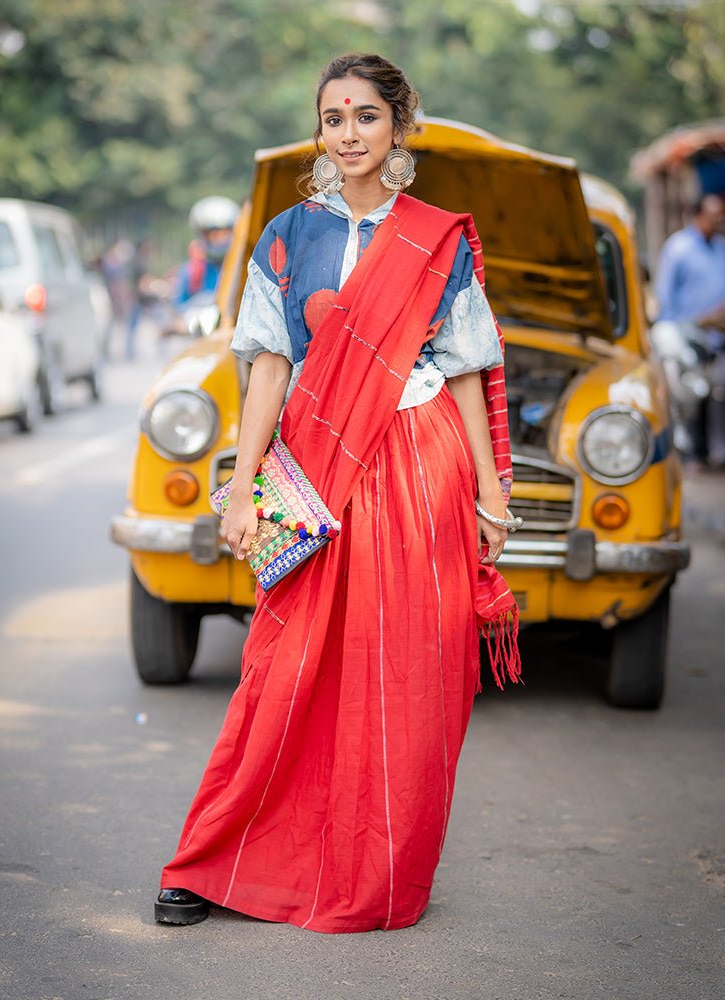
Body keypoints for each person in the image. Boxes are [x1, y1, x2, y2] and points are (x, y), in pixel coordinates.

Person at [155, 53, 521, 934]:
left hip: (420, 462)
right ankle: (215, 862)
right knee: (281, 670)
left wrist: (491, 494)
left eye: (364, 116)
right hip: (316, 469)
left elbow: (469, 372)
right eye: (333, 118)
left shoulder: (438, 239)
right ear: (319, 130)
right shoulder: (288, 234)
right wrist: (242, 487)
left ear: (398, 124)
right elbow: (271, 366)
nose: (347, 133)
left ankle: (378, 864)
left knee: (405, 674)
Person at [654, 194, 725, 466]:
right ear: (697, 216)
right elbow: (665, 300)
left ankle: (708, 454)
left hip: (716, 340)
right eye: (712, 215)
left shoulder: (720, 248)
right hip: (685, 338)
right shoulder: (679, 248)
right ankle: (691, 457)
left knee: (712, 396)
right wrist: (697, 321)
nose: (718, 220)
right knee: (689, 398)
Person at [173, 196, 240, 308]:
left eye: (223, 233)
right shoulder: (191, 271)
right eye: (210, 234)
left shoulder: (244, 267)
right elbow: (179, 308)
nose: (217, 239)